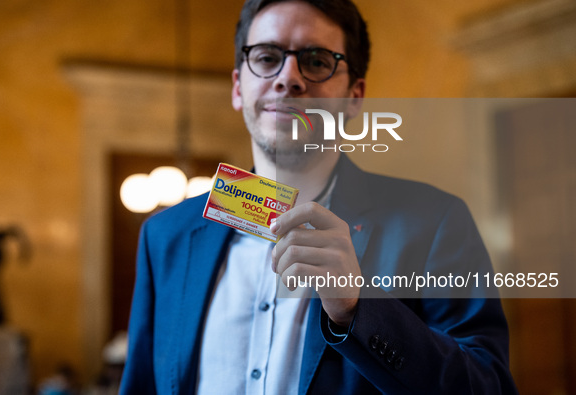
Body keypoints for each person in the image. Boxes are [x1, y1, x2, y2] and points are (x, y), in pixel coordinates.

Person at [120, 0, 518, 393]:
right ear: (239, 87)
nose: (288, 78)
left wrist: (359, 309)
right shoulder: (165, 235)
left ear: (354, 97)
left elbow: (489, 387)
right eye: (266, 56)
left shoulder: (434, 222)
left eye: (316, 60)